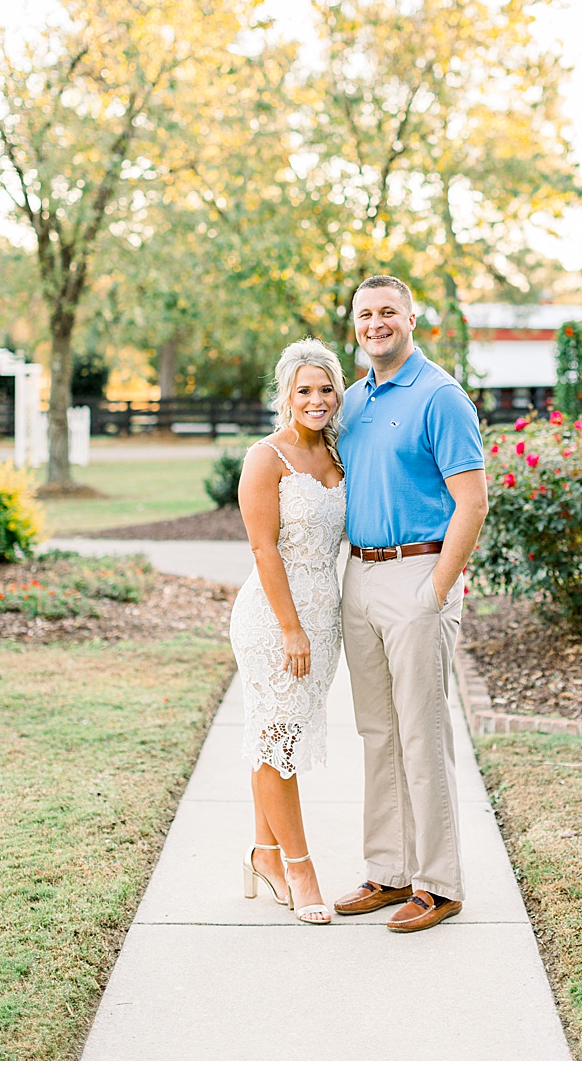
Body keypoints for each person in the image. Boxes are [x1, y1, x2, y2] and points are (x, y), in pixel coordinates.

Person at [330, 274, 488, 933]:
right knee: (378, 734)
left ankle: (439, 882)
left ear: (412, 318)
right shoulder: (355, 400)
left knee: (423, 734)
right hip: (359, 578)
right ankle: (389, 870)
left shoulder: (440, 396)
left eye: (387, 311)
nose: (376, 323)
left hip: (418, 573)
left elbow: (473, 501)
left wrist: (437, 590)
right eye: (366, 314)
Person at [231, 338, 348, 926]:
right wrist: (291, 629)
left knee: (273, 736)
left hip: (324, 617)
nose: (316, 399)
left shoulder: (337, 456)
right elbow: (262, 546)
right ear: (287, 395)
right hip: (276, 620)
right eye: (304, 390)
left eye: (325, 388)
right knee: (280, 742)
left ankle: (263, 854)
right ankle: (299, 869)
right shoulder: (266, 457)